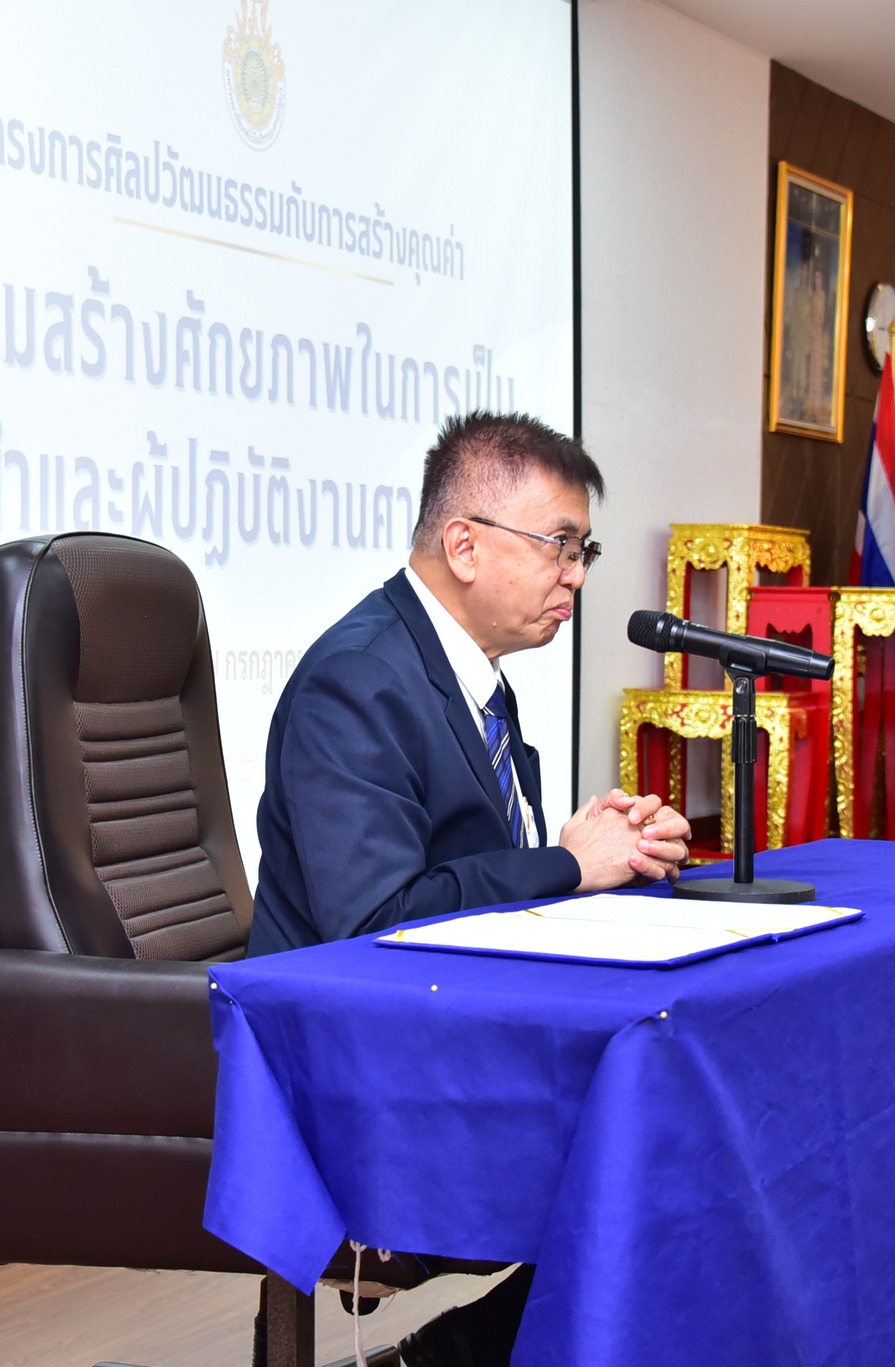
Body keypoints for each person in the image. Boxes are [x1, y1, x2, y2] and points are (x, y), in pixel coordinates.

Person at [250, 410, 692, 1366]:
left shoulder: (467, 677)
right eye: (559, 545)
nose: (577, 575)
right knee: (664, 1157)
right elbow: (377, 921)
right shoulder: (357, 681)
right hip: (355, 1066)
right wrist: (567, 865)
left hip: (442, 1027)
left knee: (682, 1136)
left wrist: (605, 849)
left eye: (584, 550)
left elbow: (480, 875)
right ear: (463, 545)